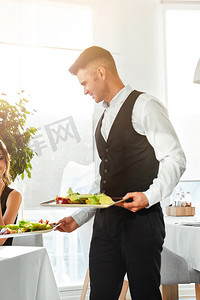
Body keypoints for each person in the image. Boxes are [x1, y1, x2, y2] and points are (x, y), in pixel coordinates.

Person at [56, 46, 186, 300]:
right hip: (105, 226)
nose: (84, 90)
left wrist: (149, 196)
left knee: (145, 295)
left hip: (141, 224)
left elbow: (175, 157)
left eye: (85, 83)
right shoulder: (102, 117)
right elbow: (103, 179)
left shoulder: (145, 105)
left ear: (101, 72)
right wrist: (79, 217)